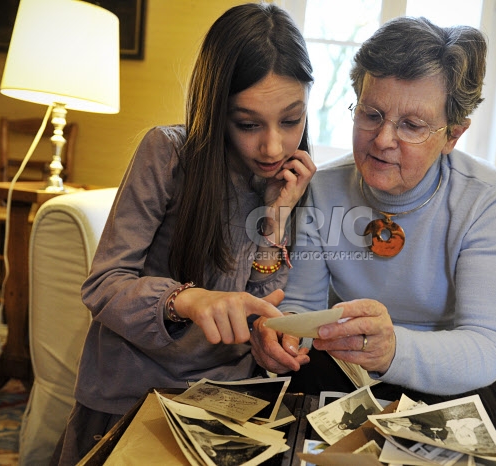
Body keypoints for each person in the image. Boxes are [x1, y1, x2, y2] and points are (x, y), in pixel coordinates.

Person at [51, 3, 315, 464]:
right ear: (217, 109)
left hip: (226, 398)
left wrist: (275, 219)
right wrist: (190, 300)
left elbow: (259, 302)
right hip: (130, 392)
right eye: (248, 124)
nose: (273, 146)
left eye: (291, 120)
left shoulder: (289, 179)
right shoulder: (167, 153)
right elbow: (103, 285)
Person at [249, 16, 496, 432]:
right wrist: (285, 336)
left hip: (475, 351)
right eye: (371, 114)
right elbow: (305, 309)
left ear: (453, 135)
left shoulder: (485, 195)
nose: (383, 139)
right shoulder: (324, 188)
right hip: (361, 348)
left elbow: (488, 344)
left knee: (425, 422)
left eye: (412, 125)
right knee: (299, 384)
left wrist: (393, 350)